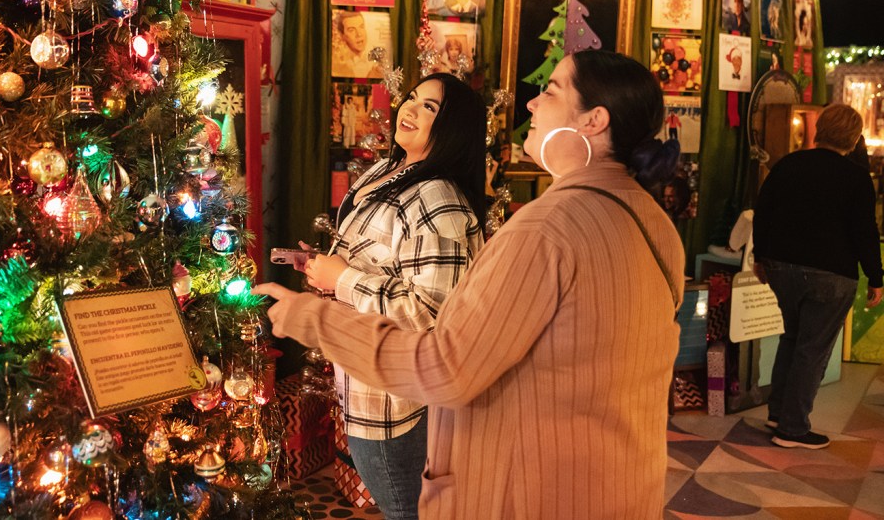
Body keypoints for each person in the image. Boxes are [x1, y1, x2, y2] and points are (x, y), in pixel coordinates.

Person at [258, 50, 684, 518]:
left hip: (537, 493)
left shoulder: (545, 229)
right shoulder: (652, 220)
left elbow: (446, 367)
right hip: (621, 486)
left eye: (551, 91)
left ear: (594, 120)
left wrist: (315, 319)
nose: (531, 105)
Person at [299, 73, 486, 520]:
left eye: (430, 108)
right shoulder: (390, 169)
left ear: (454, 127)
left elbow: (430, 313)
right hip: (363, 374)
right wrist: (327, 271)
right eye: (413, 98)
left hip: (396, 400)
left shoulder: (439, 200)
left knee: (408, 510)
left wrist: (342, 278)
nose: (410, 109)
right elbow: (376, 260)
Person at [753, 103, 883, 449]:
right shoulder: (855, 178)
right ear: (854, 137)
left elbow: (763, 212)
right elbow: (864, 232)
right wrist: (876, 276)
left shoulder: (788, 165)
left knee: (792, 339)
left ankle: (778, 412)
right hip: (830, 275)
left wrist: (759, 257)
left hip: (781, 267)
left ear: (819, 129)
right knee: (813, 350)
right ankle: (793, 429)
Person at [333, 11, 372, 77]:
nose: (359, 34)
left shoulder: (378, 61)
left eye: (361, 27)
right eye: (351, 30)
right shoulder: (338, 67)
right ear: (342, 35)